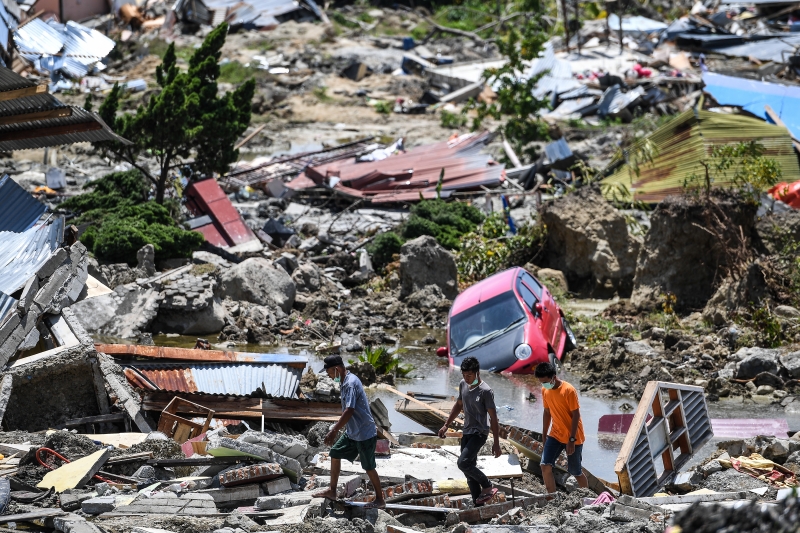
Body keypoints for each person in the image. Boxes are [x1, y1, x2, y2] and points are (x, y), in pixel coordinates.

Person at [312, 355, 386, 509]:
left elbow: (349, 410)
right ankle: (332, 491)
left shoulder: (351, 383)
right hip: (353, 431)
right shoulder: (344, 381)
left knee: (368, 466)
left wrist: (334, 430)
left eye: (330, 373)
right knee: (335, 453)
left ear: (337, 369)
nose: (330, 376)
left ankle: (380, 500)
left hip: (365, 433)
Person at [438, 356, 501, 506]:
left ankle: (487, 485)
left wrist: (497, 443)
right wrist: (446, 424)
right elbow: (458, 405)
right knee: (468, 473)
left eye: (469, 375)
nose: (466, 378)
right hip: (467, 432)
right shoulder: (463, 385)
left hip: (480, 433)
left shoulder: (486, 391)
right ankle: (477, 503)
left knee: (463, 463)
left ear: (477, 373)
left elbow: (493, 418)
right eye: (464, 375)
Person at [534, 362, 587, 494]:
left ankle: (588, 498)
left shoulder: (568, 390)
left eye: (545, 381)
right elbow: (547, 412)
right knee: (545, 465)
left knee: (576, 471)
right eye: (541, 382)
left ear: (553, 377)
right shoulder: (545, 390)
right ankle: (551, 497)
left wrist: (572, 439)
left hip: (574, 436)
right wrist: (544, 433)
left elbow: (576, 415)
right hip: (555, 434)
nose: (544, 384)